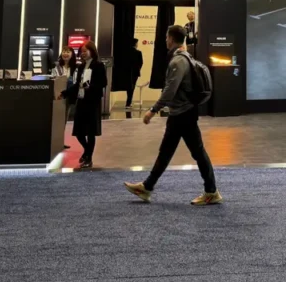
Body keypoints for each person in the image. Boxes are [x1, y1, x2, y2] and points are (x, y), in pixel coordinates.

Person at [124, 25, 221, 206]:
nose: (165, 40)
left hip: (183, 114)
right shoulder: (186, 57)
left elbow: (170, 90)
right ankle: (147, 186)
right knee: (167, 151)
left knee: (197, 152)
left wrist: (153, 110)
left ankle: (211, 191)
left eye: (167, 37)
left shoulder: (178, 61)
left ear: (171, 38)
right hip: (181, 113)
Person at [62, 42, 106, 169]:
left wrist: (90, 87)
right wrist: (65, 93)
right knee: (79, 132)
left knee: (91, 132)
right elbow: (77, 84)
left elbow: (103, 82)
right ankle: (87, 151)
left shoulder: (98, 65)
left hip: (92, 102)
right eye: (82, 51)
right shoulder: (81, 66)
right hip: (81, 100)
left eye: (85, 51)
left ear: (92, 51)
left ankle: (89, 157)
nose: (83, 53)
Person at [126, 38, 143, 110]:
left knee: (128, 87)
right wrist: (137, 69)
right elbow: (141, 62)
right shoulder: (138, 52)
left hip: (127, 72)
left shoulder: (127, 52)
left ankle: (128, 102)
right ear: (135, 44)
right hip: (135, 72)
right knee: (132, 87)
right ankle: (128, 102)